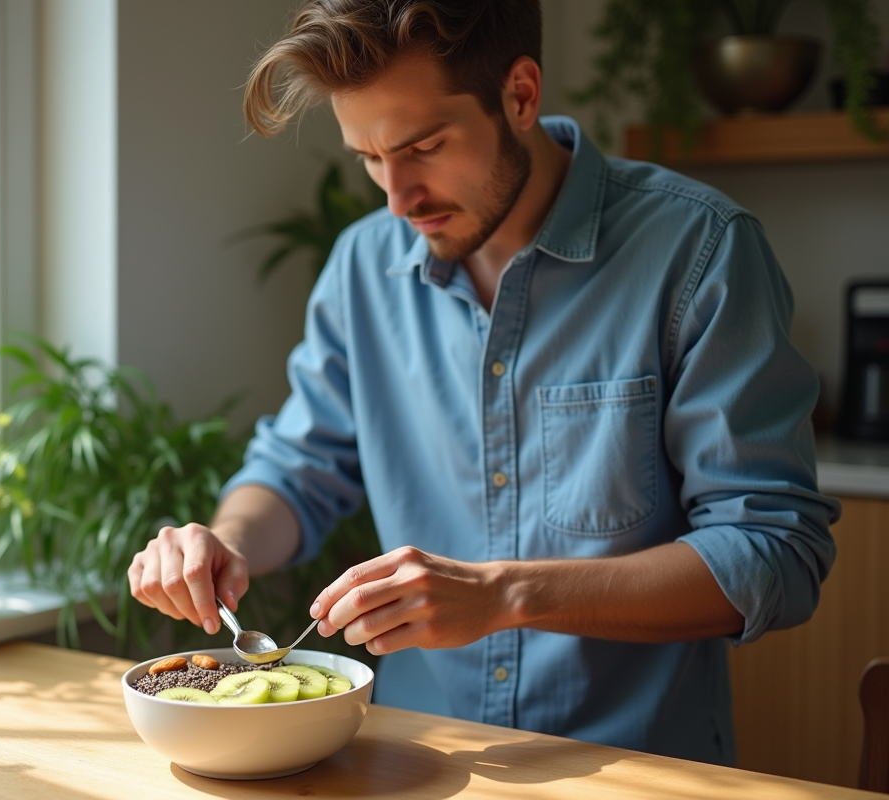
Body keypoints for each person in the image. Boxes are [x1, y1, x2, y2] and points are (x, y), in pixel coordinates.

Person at [127, 0, 840, 765]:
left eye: (423, 147)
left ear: (521, 95)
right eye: (368, 157)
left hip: (636, 766)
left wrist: (506, 595)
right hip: (412, 758)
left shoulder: (699, 251)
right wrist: (227, 541)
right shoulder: (362, 267)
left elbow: (773, 552)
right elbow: (299, 469)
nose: (397, 197)